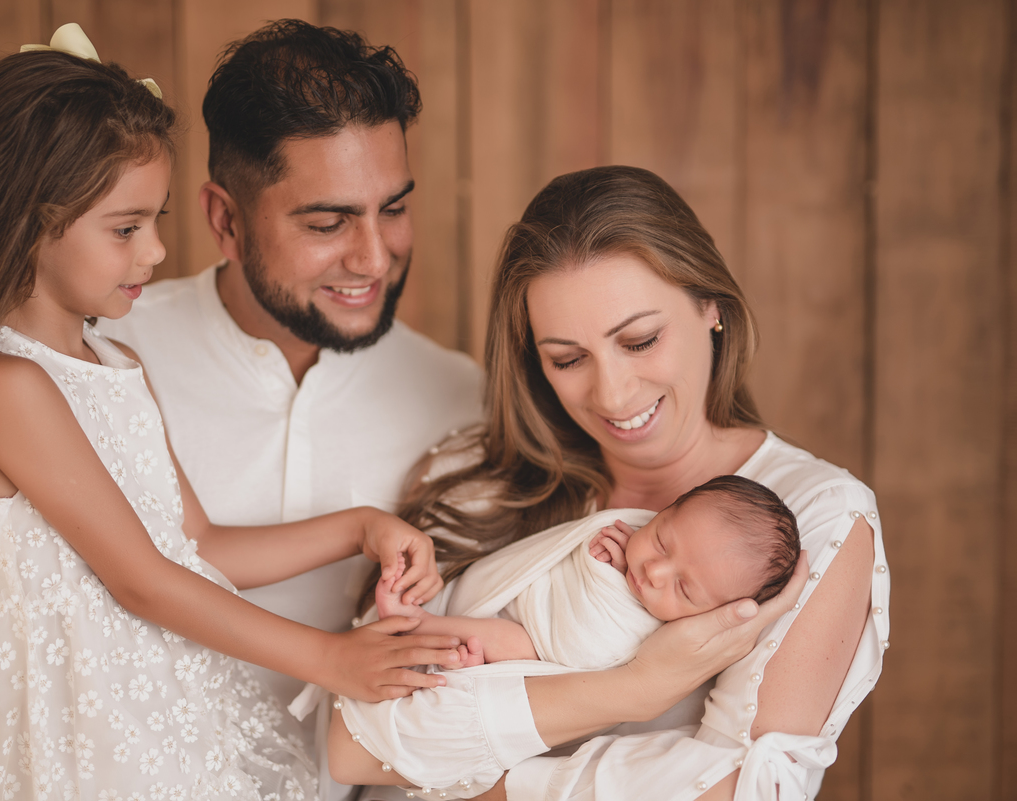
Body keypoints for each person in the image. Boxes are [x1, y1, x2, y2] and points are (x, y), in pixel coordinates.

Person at [0, 25, 465, 800]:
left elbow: (193, 543)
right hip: (74, 737)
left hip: (144, 720)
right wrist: (333, 659)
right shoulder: (6, 388)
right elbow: (143, 581)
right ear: (28, 225)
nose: (157, 252)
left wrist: (361, 525)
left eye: (155, 221)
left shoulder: (116, 363)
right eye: (126, 228)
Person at [337, 165, 889, 801]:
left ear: (711, 307)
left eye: (641, 340)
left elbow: (746, 786)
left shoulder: (817, 516)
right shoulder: (478, 484)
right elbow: (350, 747)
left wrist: (466, 772)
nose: (612, 393)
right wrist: (632, 690)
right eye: (568, 359)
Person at [94, 21, 483, 793]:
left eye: (392, 208)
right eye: (328, 222)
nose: (373, 256)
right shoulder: (105, 356)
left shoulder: (460, 398)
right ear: (225, 220)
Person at [371, 475, 801, 669]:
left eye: (683, 589)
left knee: (519, 642)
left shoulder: (645, 634)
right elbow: (560, 555)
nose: (654, 571)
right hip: (517, 601)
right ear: (665, 509)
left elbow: (579, 649)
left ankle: (421, 624)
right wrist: (615, 570)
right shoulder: (630, 539)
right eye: (661, 541)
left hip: (543, 647)